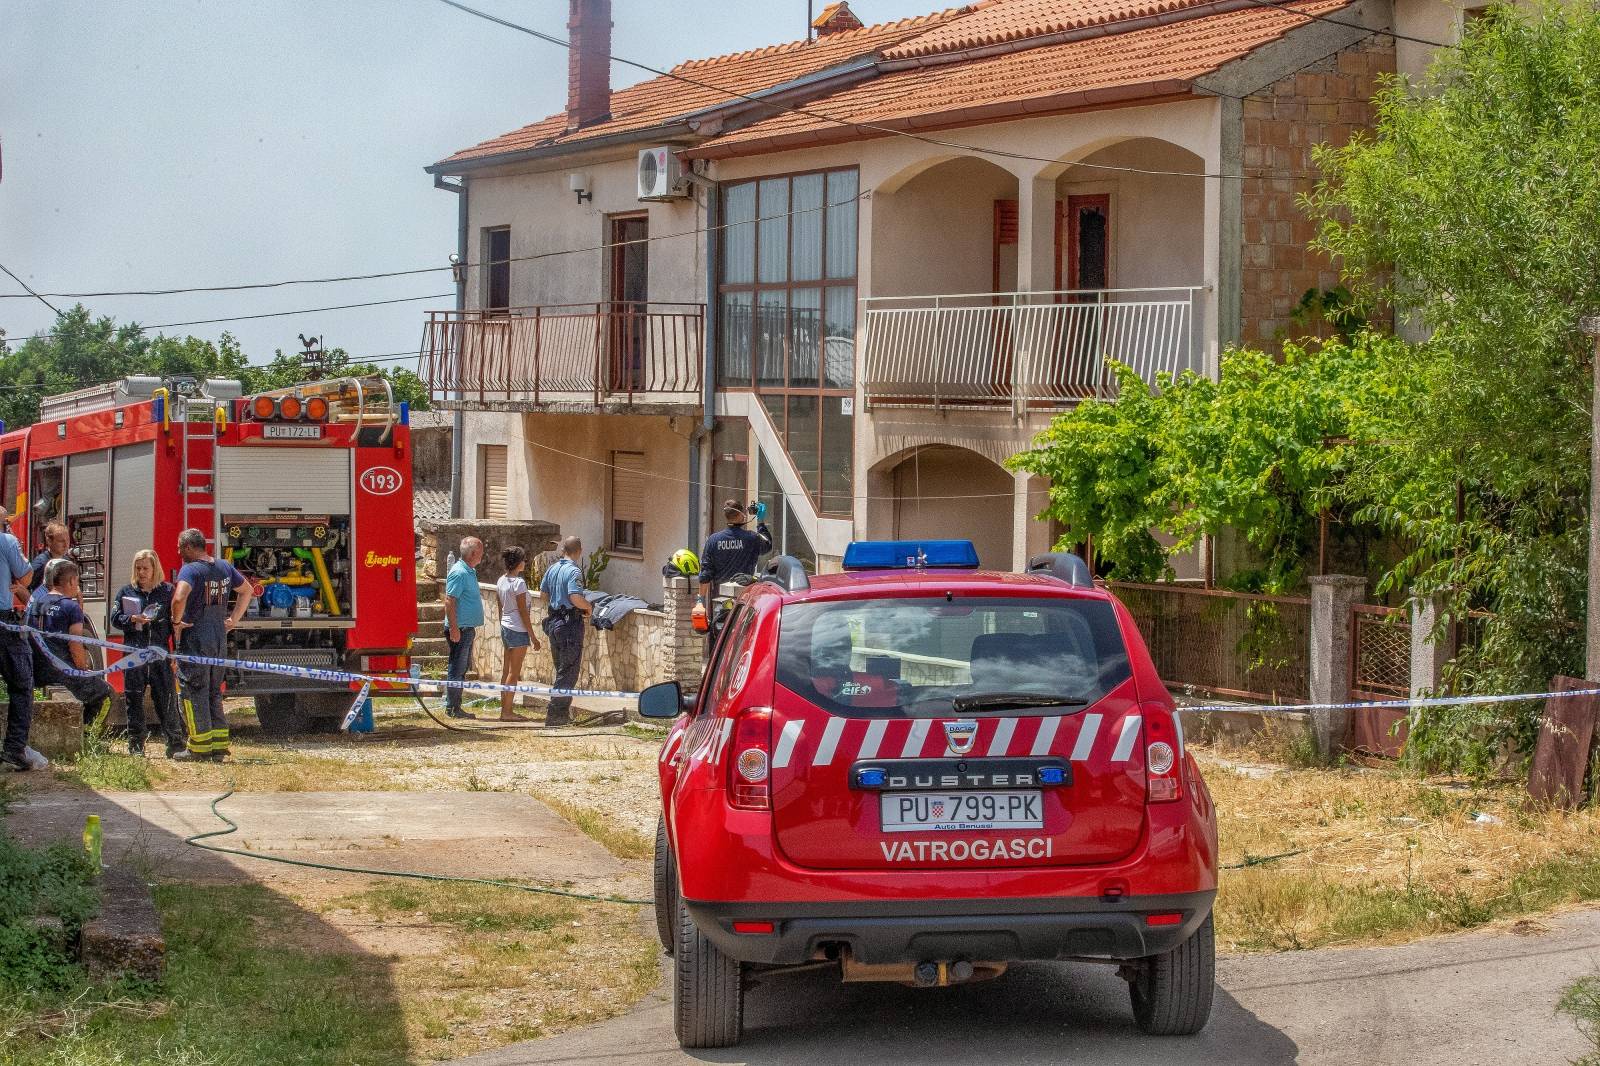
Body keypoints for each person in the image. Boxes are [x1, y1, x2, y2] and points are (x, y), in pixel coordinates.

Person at [169, 528, 252, 762]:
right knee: (214, 693)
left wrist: (176, 621)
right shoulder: (224, 566)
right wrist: (233, 620)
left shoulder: (191, 569)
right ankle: (218, 747)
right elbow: (247, 590)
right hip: (218, 639)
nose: (177, 551)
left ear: (188, 547)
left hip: (196, 639)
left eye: (179, 547)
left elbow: (179, 597)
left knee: (193, 691)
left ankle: (198, 748)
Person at [110, 549, 183, 758]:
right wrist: (132, 620)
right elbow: (114, 618)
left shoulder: (167, 591)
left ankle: (175, 743)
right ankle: (136, 745)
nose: (141, 572)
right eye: (138, 568)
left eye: (145, 568)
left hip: (160, 654)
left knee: (166, 699)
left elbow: (175, 623)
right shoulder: (126, 591)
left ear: (154, 569)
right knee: (134, 700)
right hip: (134, 654)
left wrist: (176, 653)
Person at [27, 559, 113, 729]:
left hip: (37, 671)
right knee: (106, 693)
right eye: (77, 581)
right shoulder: (71, 607)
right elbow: (76, 646)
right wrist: (83, 667)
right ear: (72, 581)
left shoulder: (35, 604)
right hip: (62, 673)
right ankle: (88, 734)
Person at [692, 500, 773, 632]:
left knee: (720, 638)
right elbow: (767, 545)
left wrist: (700, 601)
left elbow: (705, 574)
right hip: (744, 601)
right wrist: (761, 522)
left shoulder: (713, 540)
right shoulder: (751, 538)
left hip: (720, 602)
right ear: (740, 515)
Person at [537, 536, 591, 729]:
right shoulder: (574, 570)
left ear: (563, 550)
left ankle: (560, 713)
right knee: (568, 671)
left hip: (554, 622)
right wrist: (588, 608)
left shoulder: (552, 568)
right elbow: (575, 597)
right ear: (579, 550)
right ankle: (556, 714)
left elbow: (543, 595)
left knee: (561, 668)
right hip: (569, 624)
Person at [0, 518, 36, 772]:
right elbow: (25, 576)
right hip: (4, 624)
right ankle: (14, 748)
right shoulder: (6, 541)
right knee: (22, 684)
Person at [494, 546, 541, 723]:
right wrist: (533, 636)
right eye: (523, 559)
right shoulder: (519, 583)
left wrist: (502, 624)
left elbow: (500, 605)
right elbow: (523, 611)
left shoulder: (501, 580)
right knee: (514, 673)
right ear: (518, 563)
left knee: (506, 670)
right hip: (517, 628)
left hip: (506, 626)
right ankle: (507, 712)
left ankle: (505, 709)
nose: (525, 562)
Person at [443, 536, 485, 720]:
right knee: (457, 668)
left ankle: (455, 705)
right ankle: (453, 707)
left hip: (466, 628)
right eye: (481, 551)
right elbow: (449, 601)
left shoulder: (469, 571)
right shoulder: (459, 572)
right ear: (474, 553)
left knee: (462, 668)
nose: (482, 555)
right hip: (460, 628)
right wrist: (454, 628)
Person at [28, 520, 69, 594]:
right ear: (49, 541)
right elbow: (25, 587)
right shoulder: (40, 563)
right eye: (61, 541)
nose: (66, 545)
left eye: (67, 540)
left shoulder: (67, 561)